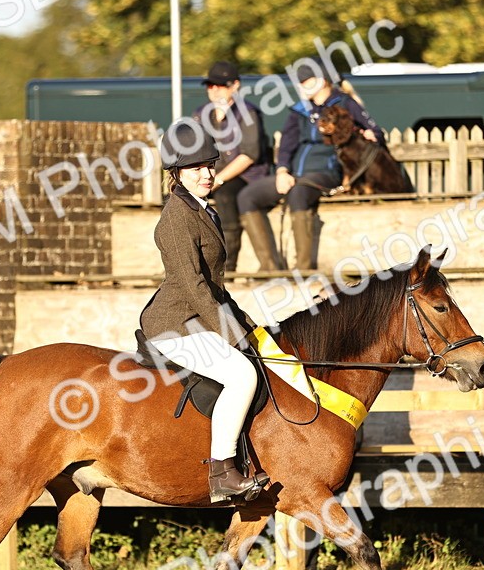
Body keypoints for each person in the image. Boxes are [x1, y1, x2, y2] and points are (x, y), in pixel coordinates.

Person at [139, 120, 262, 502]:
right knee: (242, 375)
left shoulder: (204, 210)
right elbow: (194, 287)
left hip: (198, 316)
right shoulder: (176, 218)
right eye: (196, 168)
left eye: (210, 165)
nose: (207, 174)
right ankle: (222, 471)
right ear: (176, 173)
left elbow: (215, 285)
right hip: (174, 324)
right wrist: (232, 334)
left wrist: (250, 326)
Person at [237, 61, 384, 271]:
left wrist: (371, 135)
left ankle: (303, 269)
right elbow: (287, 144)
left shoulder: (345, 103)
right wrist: (282, 171)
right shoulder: (300, 110)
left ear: (322, 81)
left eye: (305, 81)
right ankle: (270, 269)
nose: (300, 86)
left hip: (328, 172)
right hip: (295, 175)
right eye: (299, 82)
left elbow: (375, 132)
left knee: (299, 192)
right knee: (247, 196)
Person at [193, 61, 277, 272]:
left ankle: (227, 268)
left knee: (226, 196)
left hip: (246, 176)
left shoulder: (248, 113)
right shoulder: (201, 114)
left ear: (235, 86)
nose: (214, 90)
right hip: (210, 174)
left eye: (220, 85)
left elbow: (249, 156)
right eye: (210, 85)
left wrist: (218, 180)